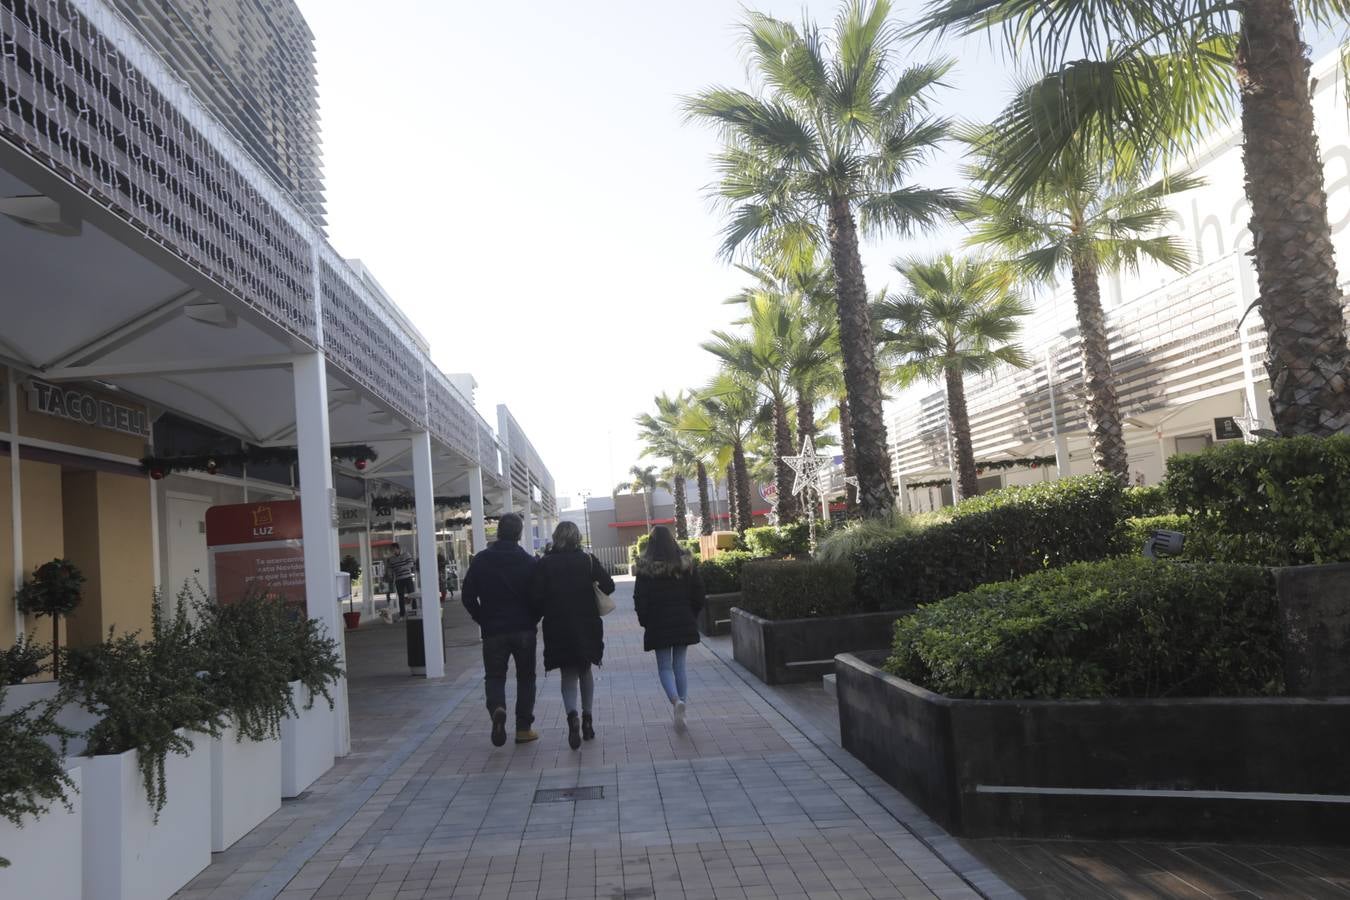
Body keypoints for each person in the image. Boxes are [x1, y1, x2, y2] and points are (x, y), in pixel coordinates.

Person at [531, 521, 614, 750]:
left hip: (558, 625)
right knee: (585, 669)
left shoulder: (545, 563)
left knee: (567, 674)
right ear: (577, 537)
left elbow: (536, 597)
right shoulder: (587, 560)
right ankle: (588, 719)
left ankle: (572, 717)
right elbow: (609, 585)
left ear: (556, 537)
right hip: (586, 624)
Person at [460, 514, 540, 746]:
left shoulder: (481, 560)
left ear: (498, 532)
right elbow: (539, 596)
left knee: (495, 676)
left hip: (493, 630)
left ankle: (497, 707)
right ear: (519, 534)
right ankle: (523, 729)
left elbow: (467, 596)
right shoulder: (528, 561)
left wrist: (482, 618)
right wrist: (533, 617)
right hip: (524, 629)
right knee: (526, 678)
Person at [633, 526, 704, 731]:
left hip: (658, 623)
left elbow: (640, 598)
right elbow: (699, 592)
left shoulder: (645, 567)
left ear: (651, 542)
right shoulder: (686, 564)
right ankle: (683, 704)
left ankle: (676, 702)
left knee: (664, 667)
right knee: (679, 665)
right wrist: (692, 614)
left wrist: (645, 620)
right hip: (683, 619)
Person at [387, 544, 416, 619]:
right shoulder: (391, 559)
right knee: (401, 597)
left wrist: (402, 567)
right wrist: (390, 574)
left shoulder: (406, 554)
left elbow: (411, 564)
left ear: (398, 549)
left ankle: (415, 611)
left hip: (407, 577)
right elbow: (390, 568)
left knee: (412, 594)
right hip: (398, 579)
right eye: (391, 550)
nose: (392, 551)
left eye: (393, 549)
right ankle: (402, 614)